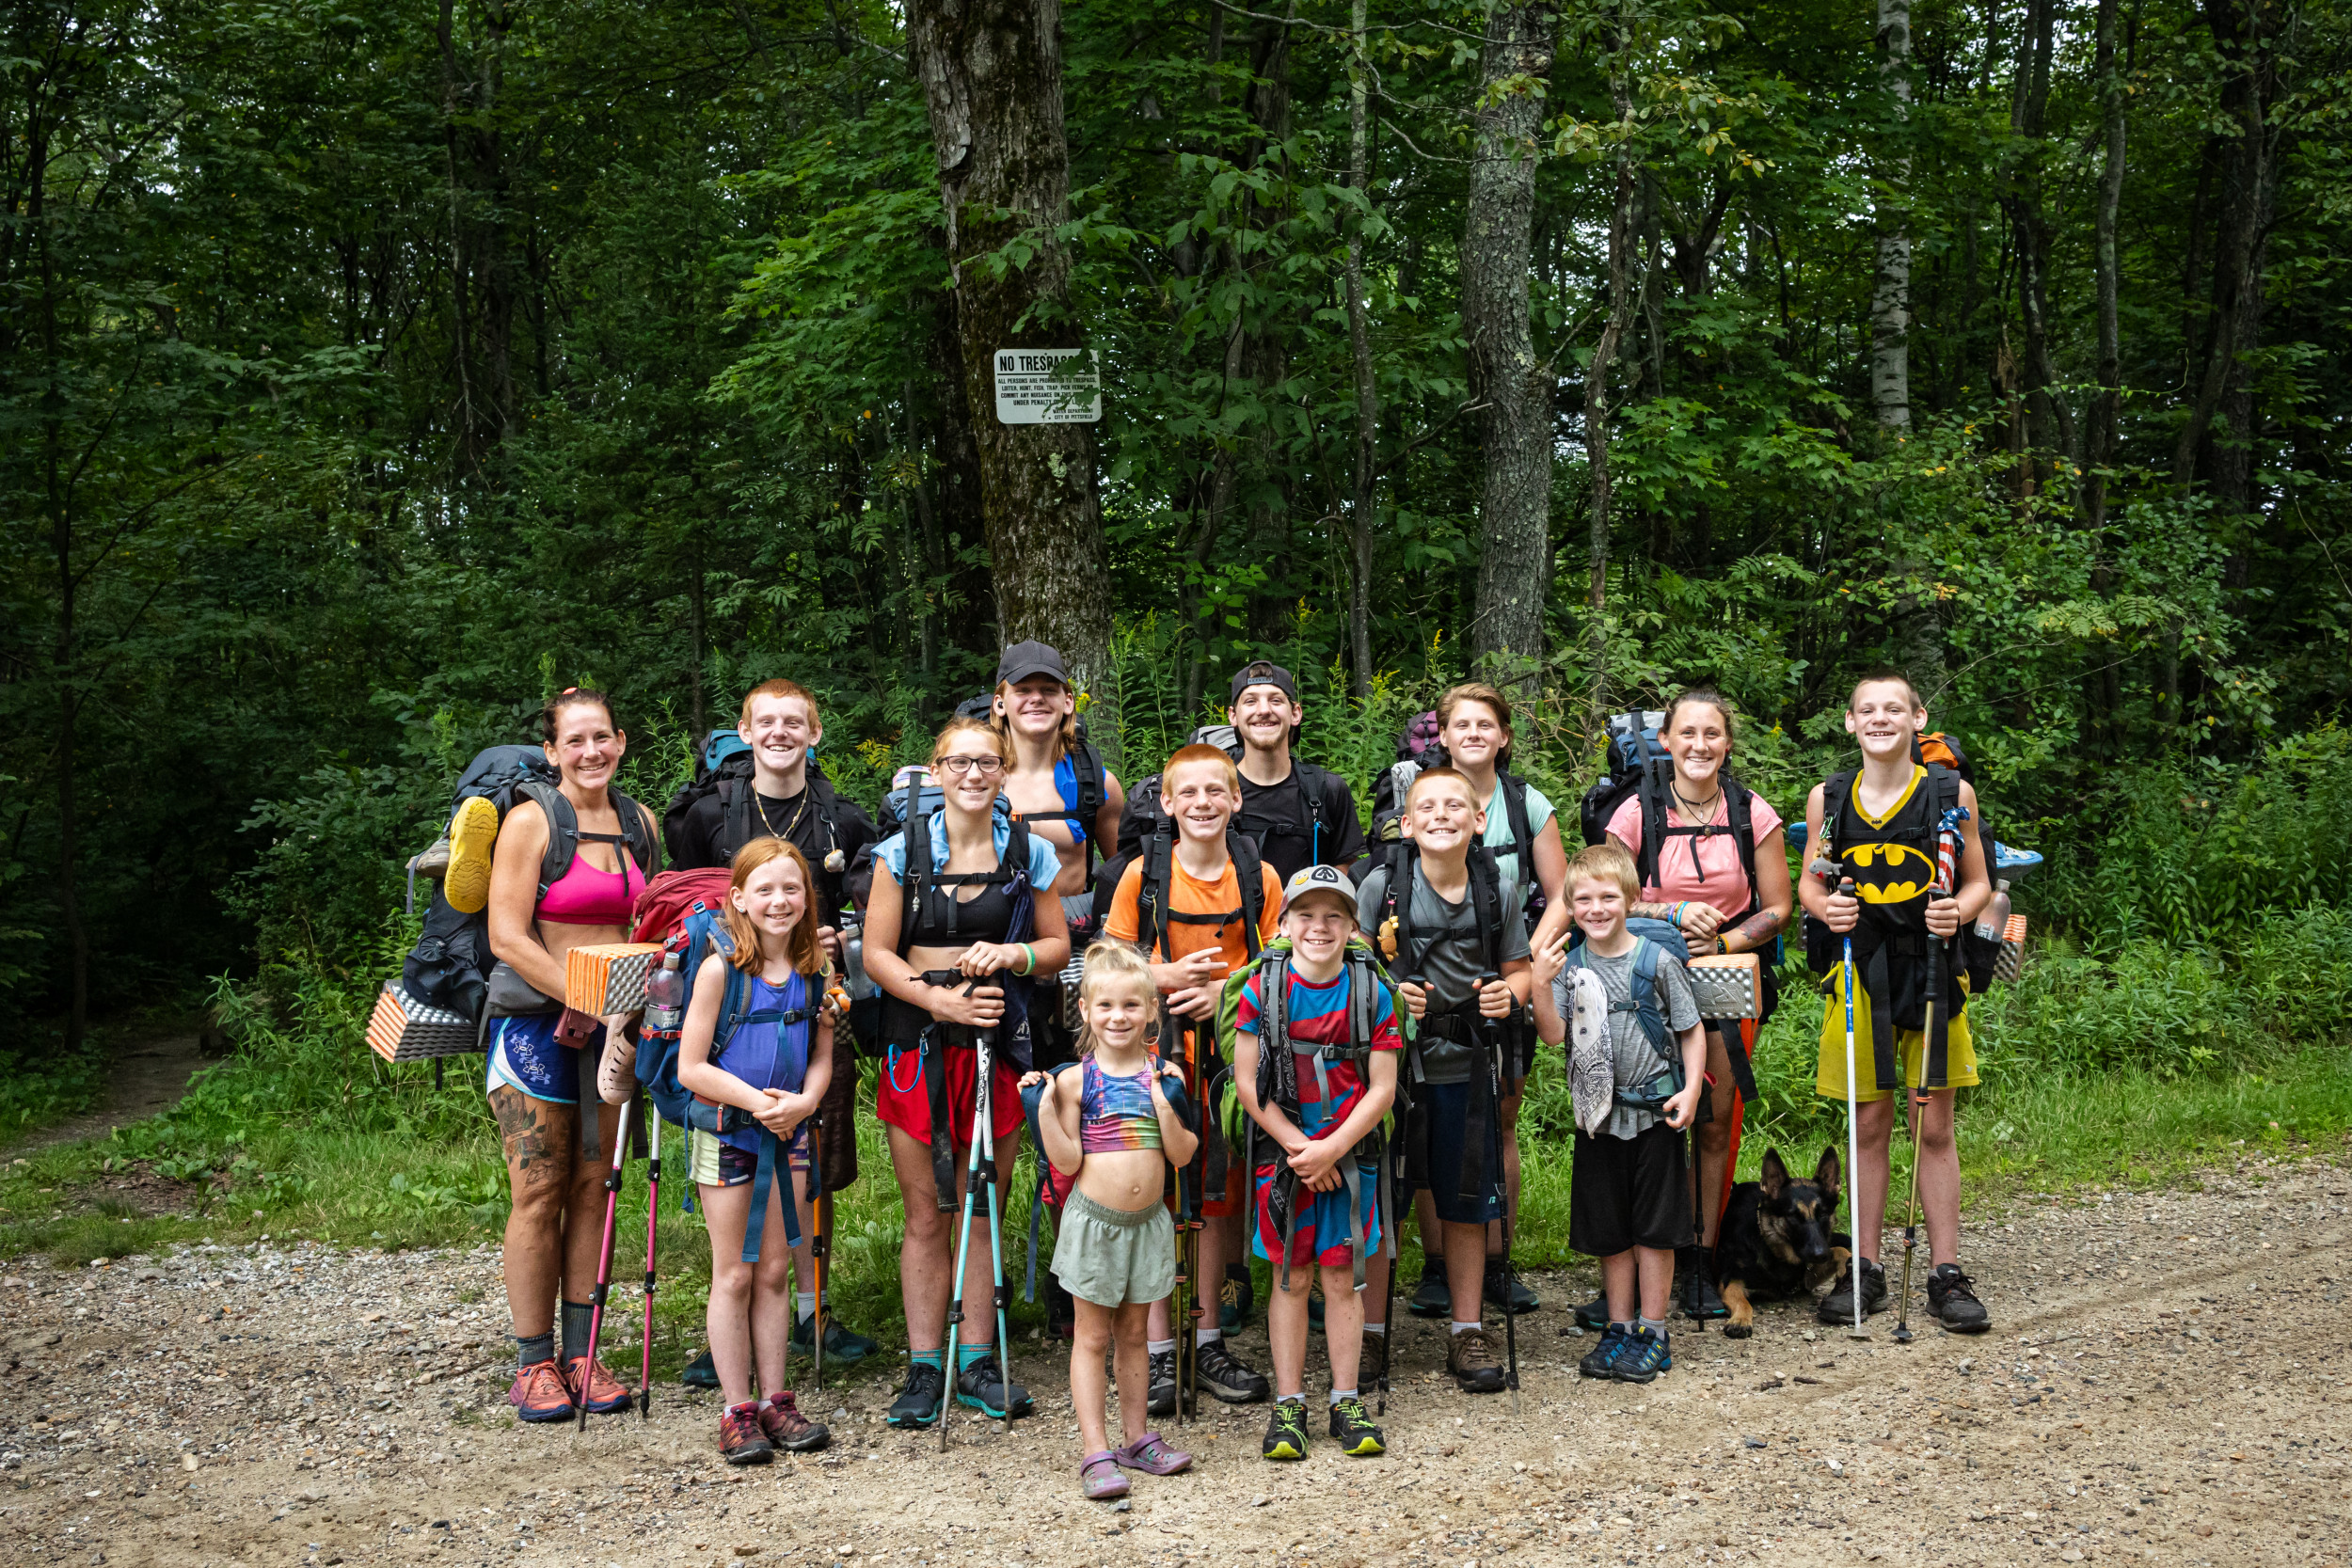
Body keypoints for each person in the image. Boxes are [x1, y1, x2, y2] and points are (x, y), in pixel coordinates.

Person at [666, 677, 882, 1377]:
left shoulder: (843, 820)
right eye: (768, 722)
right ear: (746, 730)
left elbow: (868, 913)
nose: (782, 732)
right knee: (740, 1190)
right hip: (729, 1009)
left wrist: (837, 941)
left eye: (796, 721)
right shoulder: (709, 812)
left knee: (815, 1158)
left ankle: (809, 1308)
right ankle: (732, 1332)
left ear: (815, 732)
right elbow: (683, 904)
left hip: (815, 998)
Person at [864, 715, 1073, 1428]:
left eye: (987, 762)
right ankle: (927, 1365)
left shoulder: (1028, 851)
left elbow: (1054, 944)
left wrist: (1010, 957)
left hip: (998, 1042)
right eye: (959, 763)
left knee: (983, 1198)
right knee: (928, 1209)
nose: (974, 774)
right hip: (918, 1045)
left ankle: (979, 1357)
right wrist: (935, 999)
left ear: (1004, 768)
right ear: (938, 770)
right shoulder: (901, 852)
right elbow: (877, 953)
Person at [483, 689, 662, 1422]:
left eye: (603, 738)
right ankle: (533, 1361)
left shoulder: (640, 824)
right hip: (534, 1029)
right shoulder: (531, 823)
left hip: (615, 1030)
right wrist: (582, 994)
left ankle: (583, 1354)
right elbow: (507, 935)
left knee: (597, 1186)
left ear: (620, 742)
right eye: (575, 741)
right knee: (539, 1189)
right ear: (552, 751)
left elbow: (648, 915)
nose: (592, 752)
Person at [1800, 672, 1994, 1332]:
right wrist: (1827, 906)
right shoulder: (1827, 797)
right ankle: (1867, 1268)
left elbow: (1978, 884)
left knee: (1934, 1126)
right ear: (1850, 722)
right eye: (1867, 709)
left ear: (1918, 718)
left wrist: (1956, 915)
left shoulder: (1948, 792)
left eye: (1894, 708)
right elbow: (1809, 880)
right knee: (1869, 1124)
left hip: (1933, 974)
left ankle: (1945, 1272)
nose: (1880, 718)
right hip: (1860, 978)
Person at [1600, 688, 1794, 1323]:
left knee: (1713, 1119)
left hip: (1729, 980)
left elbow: (1778, 906)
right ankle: (1651, 1252)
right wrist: (1673, 911)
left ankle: (1703, 1259)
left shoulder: (1751, 812)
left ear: (1728, 743)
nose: (1700, 745)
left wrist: (1727, 939)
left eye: (1712, 734)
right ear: (1666, 740)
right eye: (1688, 733)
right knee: (1652, 1119)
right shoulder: (1636, 811)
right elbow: (1606, 893)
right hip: (1647, 980)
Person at [1103, 743, 1281, 1412]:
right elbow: (1109, 966)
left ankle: (1206, 1340)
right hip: (1153, 1058)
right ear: (1168, 803)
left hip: (1229, 1057)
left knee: (1214, 1199)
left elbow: (1278, 965)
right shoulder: (1141, 877)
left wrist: (1224, 991)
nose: (1204, 803)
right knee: (1154, 1196)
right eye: (1190, 793)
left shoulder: (1258, 875)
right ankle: (1156, 1351)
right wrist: (1165, 976)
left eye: (1218, 791)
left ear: (1237, 800)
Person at [1355, 767, 1532, 1394]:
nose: (1441, 814)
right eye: (1425, 806)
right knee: (1383, 1204)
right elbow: (1351, 964)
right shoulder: (1381, 885)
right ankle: (1370, 1332)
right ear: (1406, 823)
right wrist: (1384, 990)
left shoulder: (1496, 888)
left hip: (1467, 1064)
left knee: (1464, 1201)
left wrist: (1508, 996)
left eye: (1455, 804)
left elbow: (1521, 969)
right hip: (1391, 1073)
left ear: (1478, 818)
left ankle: (1466, 1328)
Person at [1398, 684, 1564, 1321]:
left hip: (1498, 983)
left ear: (1503, 735)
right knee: (1425, 1133)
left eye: (1484, 723)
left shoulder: (1525, 804)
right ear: (1441, 733)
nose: (1472, 732)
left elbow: (1558, 892)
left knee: (1496, 1127)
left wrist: (1523, 979)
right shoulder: (1416, 809)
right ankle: (1440, 1264)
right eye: (1459, 723)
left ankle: (1497, 1258)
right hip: (1434, 1005)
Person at [1232, 864, 1401, 1462]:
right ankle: (1289, 1403)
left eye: (1334, 916)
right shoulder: (1265, 989)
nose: (1319, 927)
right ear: (1284, 923)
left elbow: (1382, 1089)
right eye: (1306, 914)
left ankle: (1346, 1399)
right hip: (1285, 1162)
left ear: (1355, 928)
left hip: (1351, 1159)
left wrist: (1331, 1149)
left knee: (1342, 1276)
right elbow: (1248, 1083)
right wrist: (1301, 1150)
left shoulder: (1371, 992)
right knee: (1292, 1276)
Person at [675, 838, 835, 1464]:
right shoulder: (721, 969)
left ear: (806, 897)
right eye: (764, 889)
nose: (779, 900)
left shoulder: (814, 972)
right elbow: (691, 1066)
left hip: (788, 1132)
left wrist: (803, 1103)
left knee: (775, 1270)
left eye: (791, 888)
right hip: (728, 1132)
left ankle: (777, 1399)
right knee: (734, 1272)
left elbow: (823, 1056)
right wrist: (758, 1101)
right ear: (737, 897)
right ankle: (736, 1409)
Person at [1022, 941, 1198, 1501]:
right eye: (1105, 1007)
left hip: (1149, 1223)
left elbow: (1184, 1155)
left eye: (1130, 1006)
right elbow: (1068, 1162)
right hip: (1094, 1224)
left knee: (1135, 1337)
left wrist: (1165, 1103)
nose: (1118, 1017)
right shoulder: (1076, 1081)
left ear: (1151, 1010)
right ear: (1085, 1009)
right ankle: (1095, 1450)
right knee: (1092, 1336)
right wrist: (1046, 1108)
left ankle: (1137, 1437)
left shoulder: (1166, 1076)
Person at [1532, 843, 1707, 1385]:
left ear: (1631, 898)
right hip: (1598, 1118)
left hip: (1655, 1114)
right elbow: (1554, 1034)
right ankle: (1618, 1324)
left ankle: (1652, 1331)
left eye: (1608, 896)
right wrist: (1540, 982)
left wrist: (1693, 1089)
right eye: (1582, 899)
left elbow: (1690, 1029)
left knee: (1654, 1228)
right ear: (1569, 906)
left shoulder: (1658, 962)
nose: (1596, 908)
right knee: (1610, 1228)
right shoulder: (1568, 967)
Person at [993, 641, 1125, 1342]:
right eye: (1023, 688)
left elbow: (1120, 872)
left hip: (1079, 955)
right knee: (1008, 1115)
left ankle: (1071, 1280)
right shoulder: (980, 772)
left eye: (1050, 688)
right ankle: (991, 1283)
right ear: (1002, 700)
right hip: (1007, 950)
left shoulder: (1093, 779)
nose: (1036, 699)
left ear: (1068, 700)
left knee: (1083, 1111)